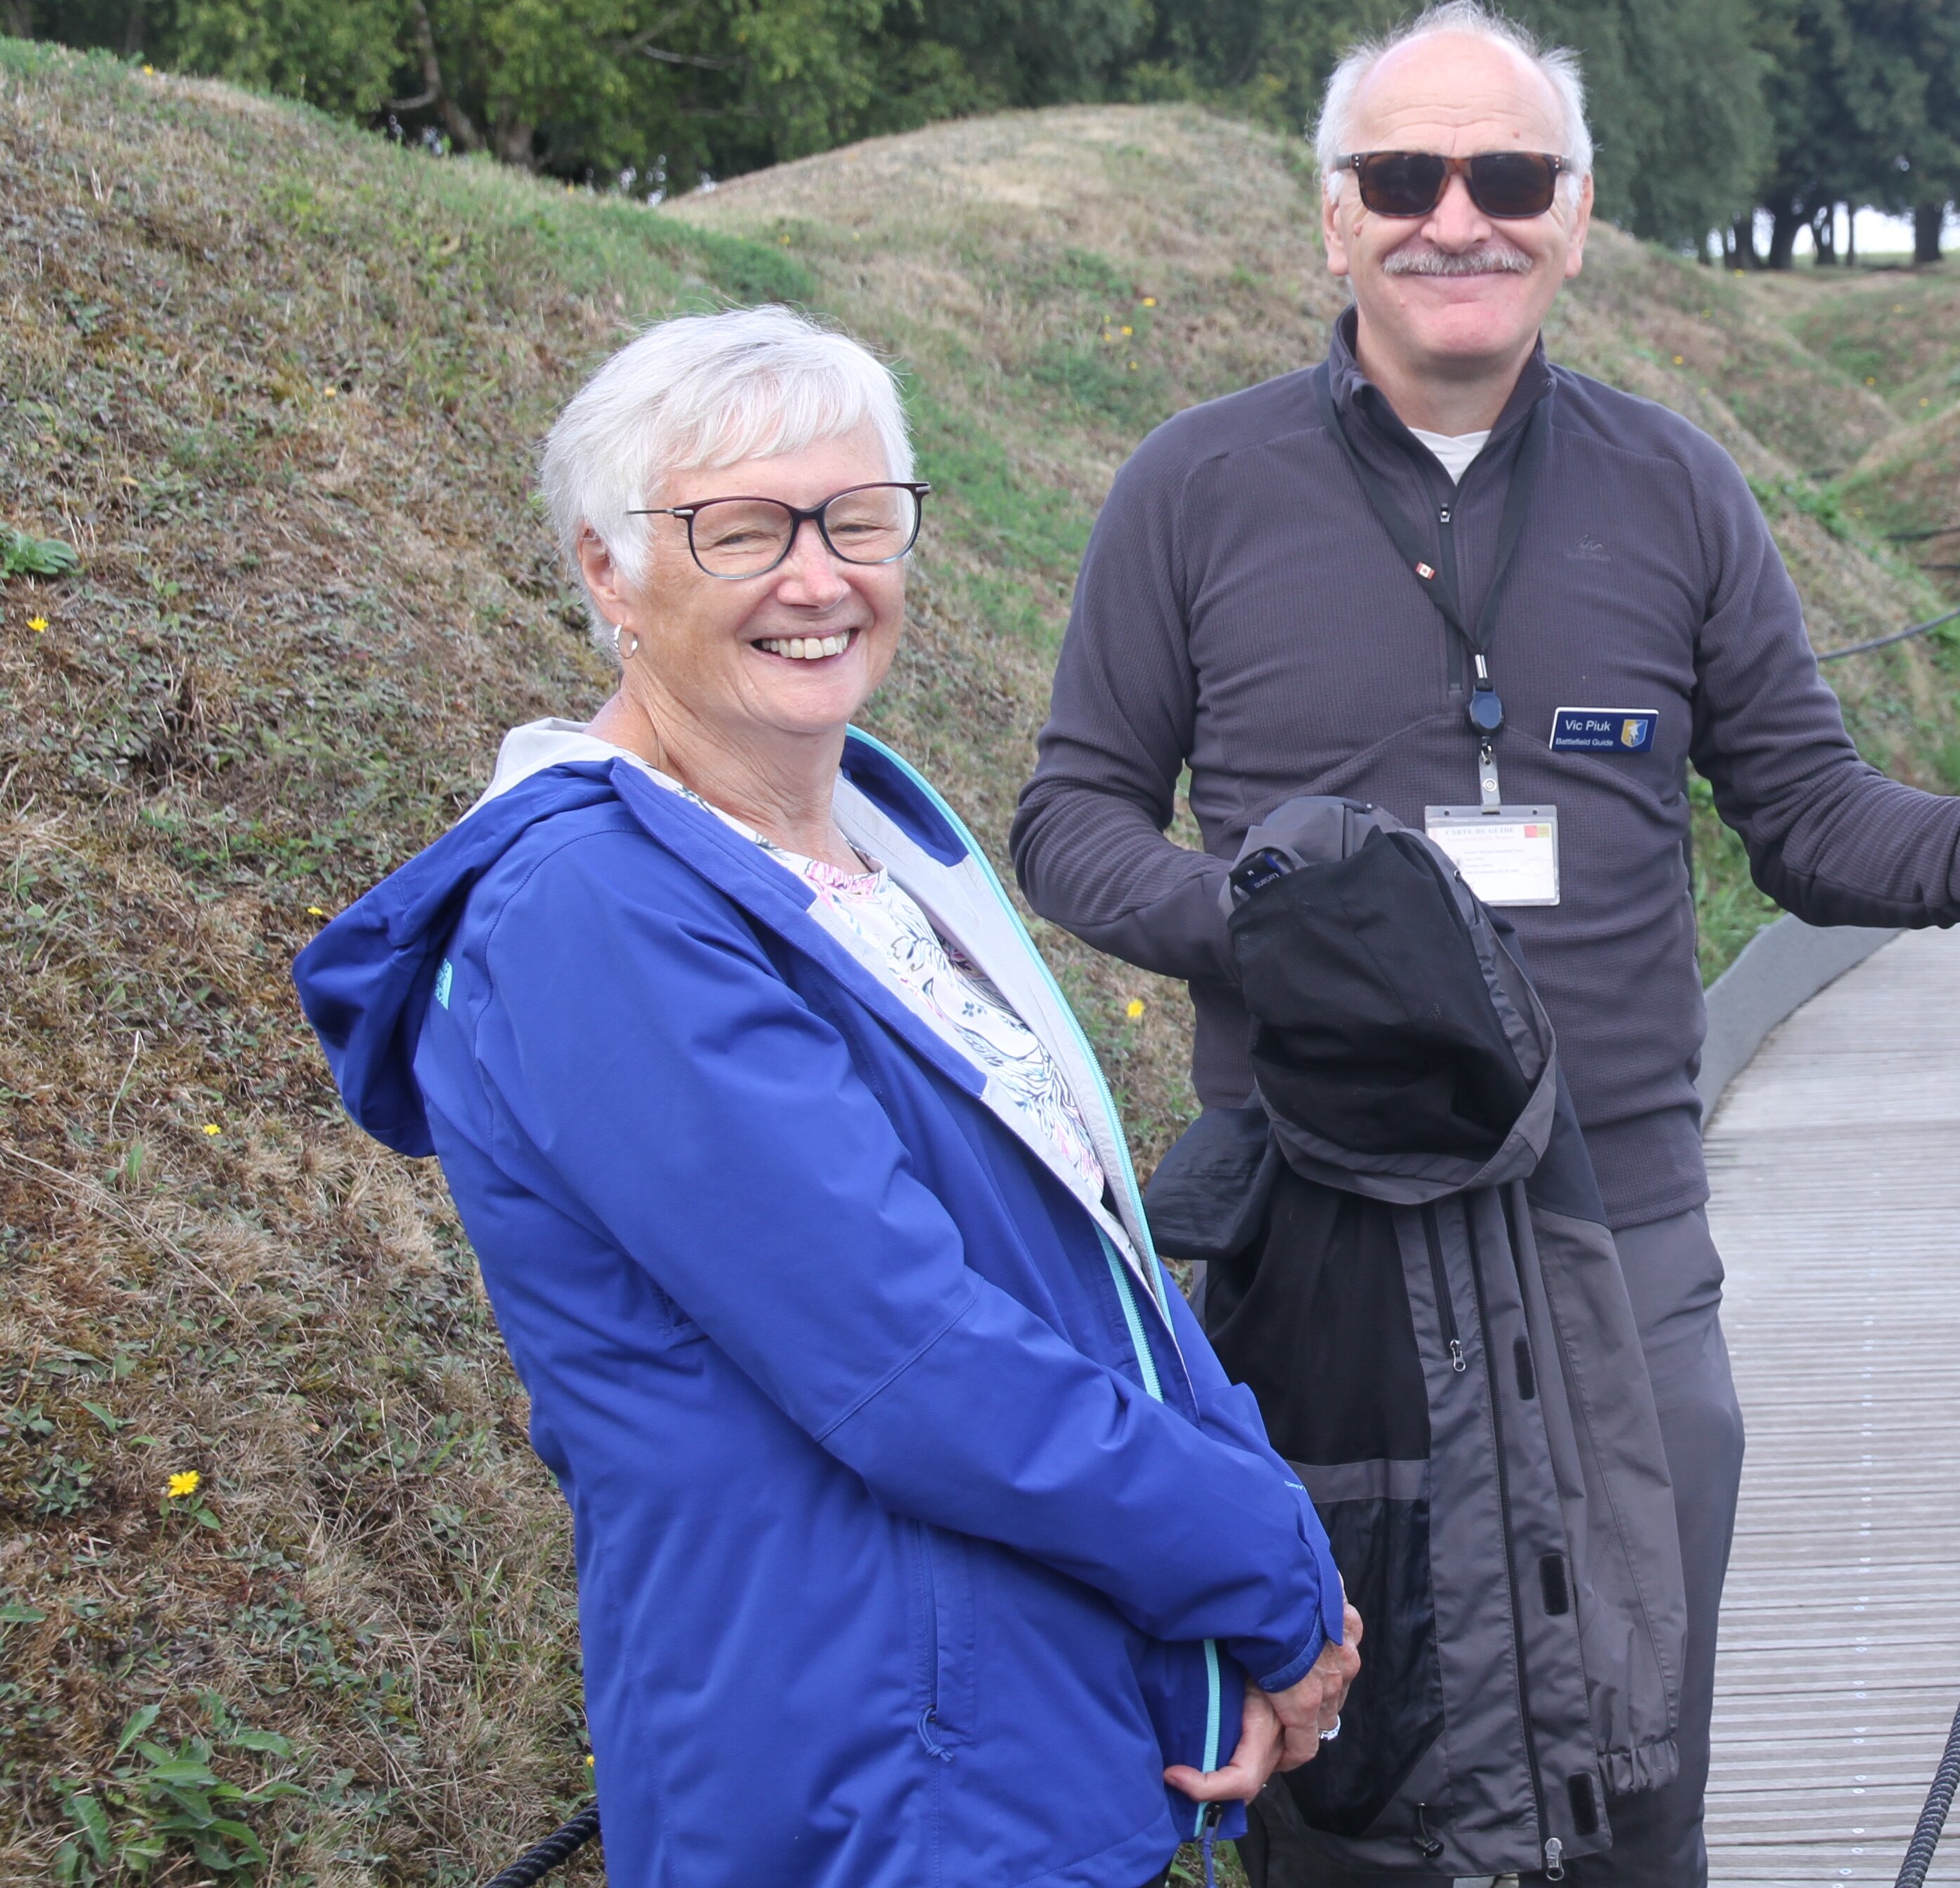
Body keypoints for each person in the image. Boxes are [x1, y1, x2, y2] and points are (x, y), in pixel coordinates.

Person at [1012, 0, 1960, 1884]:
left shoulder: (1674, 490)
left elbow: (1817, 826)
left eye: (1509, 177)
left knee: (1632, 1760)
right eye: (1405, 178)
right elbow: (1068, 817)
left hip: (1622, 1242)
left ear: (1575, 219)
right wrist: (1268, 930)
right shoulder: (1194, 489)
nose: (1460, 217)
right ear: (1332, 219)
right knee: (1341, 1780)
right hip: (1322, 1248)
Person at [294, 306, 1363, 1888]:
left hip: (1012, 1726)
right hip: (869, 1772)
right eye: (740, 530)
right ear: (608, 572)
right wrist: (1263, 1571)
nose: (817, 578)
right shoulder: (597, 911)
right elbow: (911, 1358)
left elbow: (1080, 1274)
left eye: (858, 520)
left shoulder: (875, 847)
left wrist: (1245, 1554)